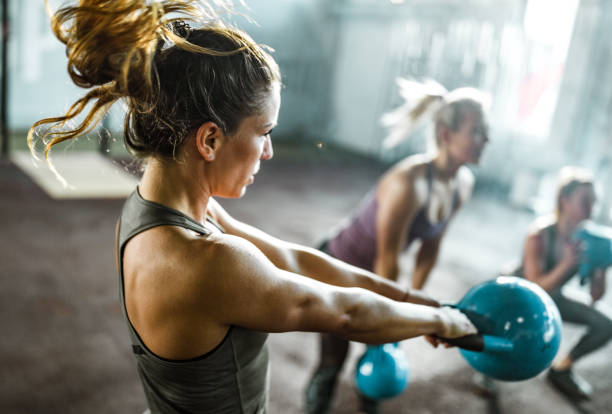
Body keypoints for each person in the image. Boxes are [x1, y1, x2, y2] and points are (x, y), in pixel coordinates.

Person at [28, 2, 478, 413]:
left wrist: (415, 301)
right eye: (263, 132)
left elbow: (294, 259)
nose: (268, 152)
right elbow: (345, 313)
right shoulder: (208, 262)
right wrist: (444, 321)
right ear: (209, 139)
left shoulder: (155, 211)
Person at [305, 79, 490, 414]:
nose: (486, 140)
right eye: (476, 131)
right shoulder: (409, 182)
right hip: (339, 265)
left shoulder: (462, 183)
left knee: (379, 354)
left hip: (379, 270)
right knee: (334, 358)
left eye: (485, 131)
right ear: (446, 135)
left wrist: (413, 306)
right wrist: (396, 315)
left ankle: (368, 404)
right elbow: (387, 260)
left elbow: (430, 248)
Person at [519, 166, 612, 400]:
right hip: (521, 300)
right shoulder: (539, 234)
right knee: (510, 335)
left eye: (594, 202)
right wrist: (567, 264)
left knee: (606, 324)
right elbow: (535, 289)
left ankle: (562, 369)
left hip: (554, 299)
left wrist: (600, 271)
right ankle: (487, 372)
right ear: (564, 200)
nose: (591, 209)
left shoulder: (589, 239)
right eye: (585, 201)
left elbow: (596, 296)